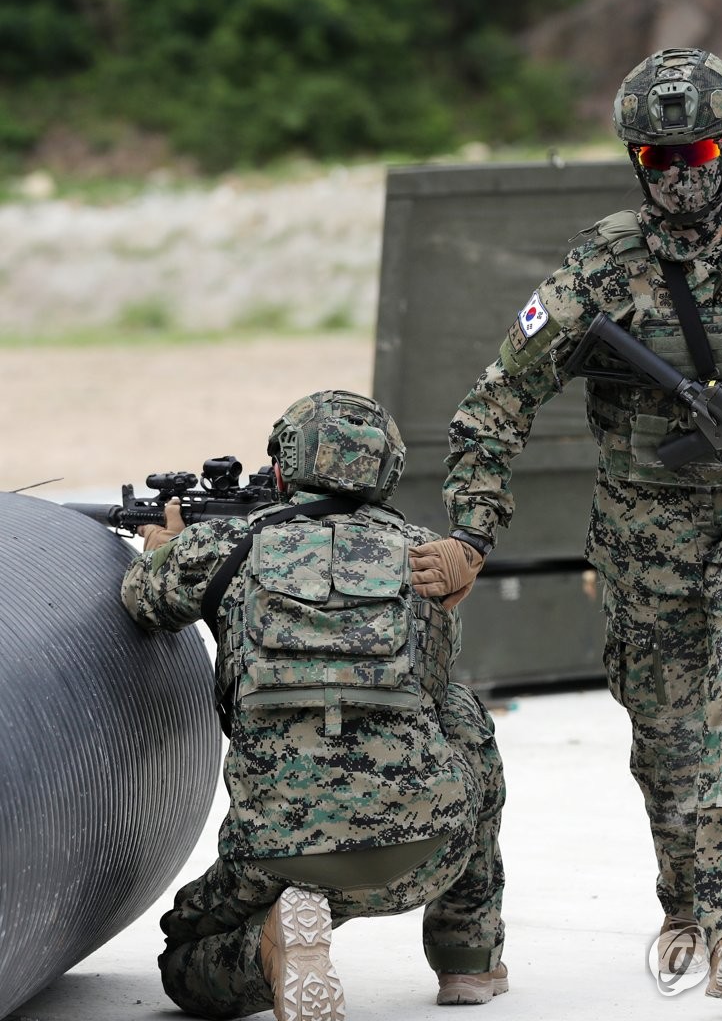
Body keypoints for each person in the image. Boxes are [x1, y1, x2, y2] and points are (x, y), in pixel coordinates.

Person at [409, 48, 722, 1003]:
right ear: (634, 162)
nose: (681, 173)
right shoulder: (599, 269)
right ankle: (688, 902)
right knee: (663, 741)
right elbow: (495, 404)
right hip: (640, 541)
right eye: (657, 158)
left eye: (696, 148)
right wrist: (472, 535)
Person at [121, 391, 507, 1021]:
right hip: (426, 852)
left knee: (184, 961)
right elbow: (435, 670)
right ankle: (469, 960)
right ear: (386, 471)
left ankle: (275, 946)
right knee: (461, 715)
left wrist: (167, 549)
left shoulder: (227, 546)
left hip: (276, 853)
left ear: (283, 465)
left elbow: (144, 601)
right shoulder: (428, 559)